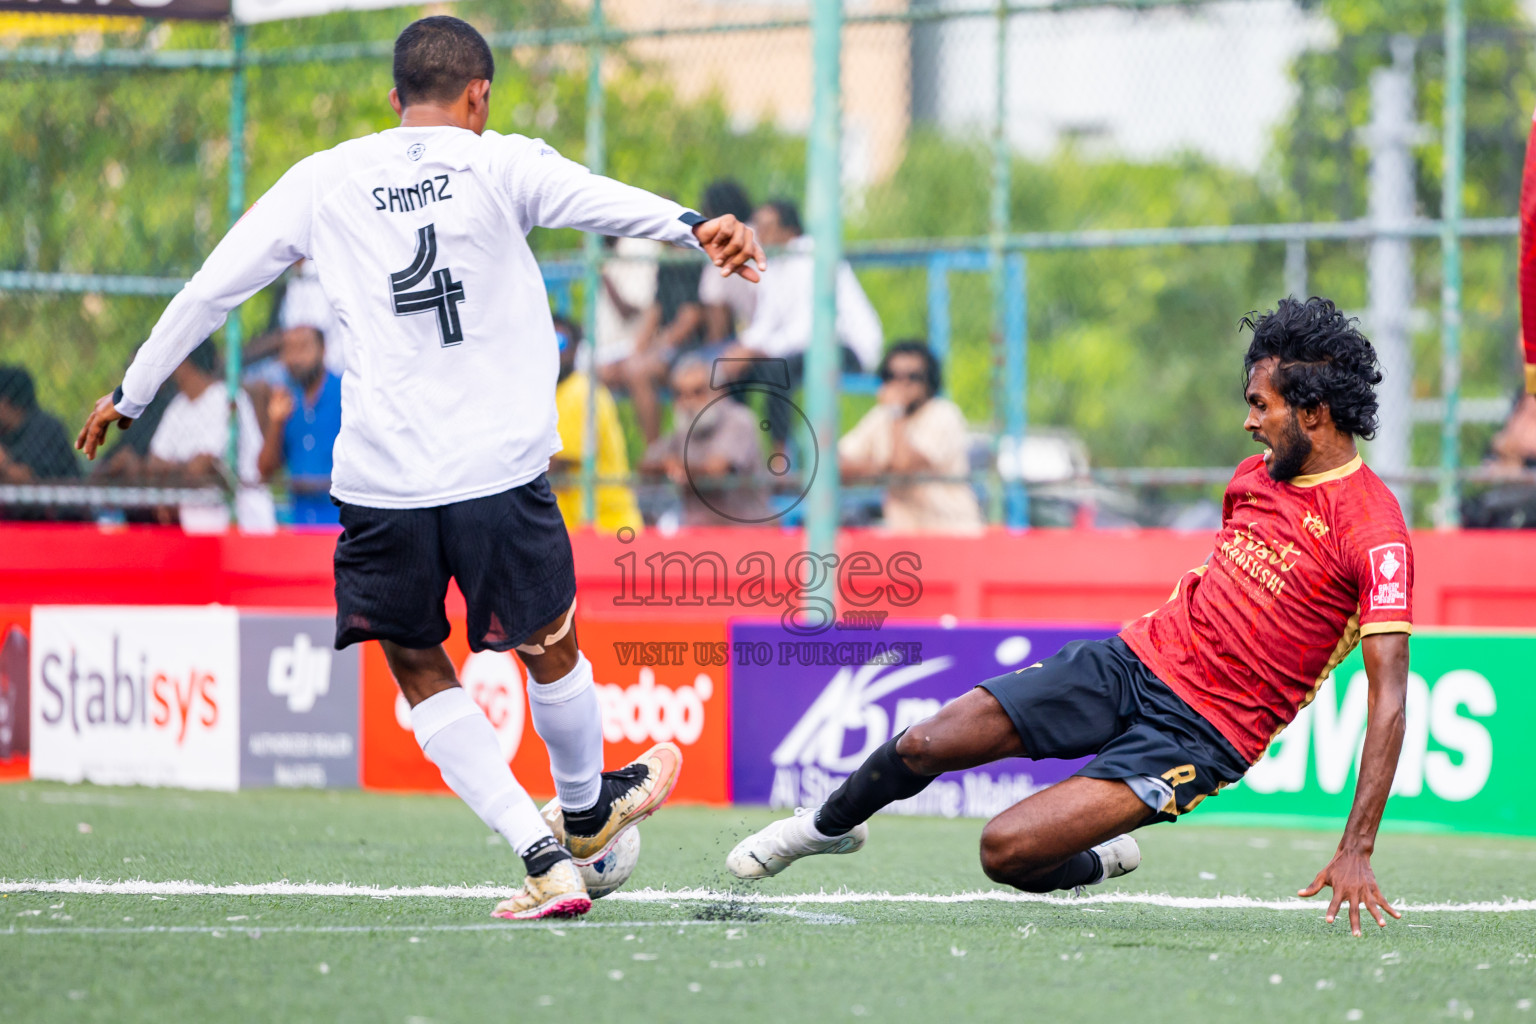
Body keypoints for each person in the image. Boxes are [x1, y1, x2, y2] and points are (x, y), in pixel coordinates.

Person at [76, 16, 764, 921]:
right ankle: (588, 807)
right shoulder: (500, 161)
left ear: (394, 98)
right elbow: (596, 198)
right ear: (477, 95)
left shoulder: (323, 179)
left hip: (384, 482)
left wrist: (131, 390)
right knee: (548, 642)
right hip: (497, 471)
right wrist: (692, 226)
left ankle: (543, 855)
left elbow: (213, 288)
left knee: (416, 663)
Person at [729, 297, 1415, 938]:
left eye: (1261, 406)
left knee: (1006, 851)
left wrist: (1355, 848)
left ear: (1316, 411)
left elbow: (1388, 701)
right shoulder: (1252, 477)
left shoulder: (1375, 531)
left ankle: (1103, 856)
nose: (1249, 421)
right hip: (1129, 663)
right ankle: (825, 826)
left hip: (1202, 733)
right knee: (924, 743)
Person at [732, 198, 882, 447]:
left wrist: (761, 350)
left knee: (777, 369)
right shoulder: (772, 261)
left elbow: (811, 327)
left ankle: (780, 459)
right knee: (734, 370)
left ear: (790, 231)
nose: (761, 234)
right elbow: (766, 321)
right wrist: (743, 347)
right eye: (758, 227)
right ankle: (739, 454)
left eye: (768, 227)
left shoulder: (809, 256)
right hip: (803, 347)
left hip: (848, 346)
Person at [839, 341, 983, 533]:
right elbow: (837, 464)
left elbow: (904, 465)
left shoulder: (942, 414)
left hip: (951, 532)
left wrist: (896, 412)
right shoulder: (882, 417)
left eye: (912, 377)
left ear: (928, 381)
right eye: (893, 376)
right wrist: (883, 467)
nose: (901, 384)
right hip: (905, 535)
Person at [146, 339, 276, 534]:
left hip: (246, 525)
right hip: (198, 528)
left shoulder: (226, 398)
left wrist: (173, 471)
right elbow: (153, 465)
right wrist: (186, 469)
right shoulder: (178, 407)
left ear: (185, 362)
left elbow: (203, 467)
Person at [640, 357, 772, 525]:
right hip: (696, 534)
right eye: (681, 394)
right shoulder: (684, 427)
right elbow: (647, 463)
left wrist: (678, 467)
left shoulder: (739, 420)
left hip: (744, 532)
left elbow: (717, 469)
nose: (688, 401)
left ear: (718, 393)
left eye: (698, 392)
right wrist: (666, 465)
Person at [550, 315, 642, 535]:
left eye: (560, 340)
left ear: (575, 349)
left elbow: (554, 464)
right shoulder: (555, 394)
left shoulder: (579, 391)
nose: (553, 349)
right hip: (578, 530)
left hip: (607, 530)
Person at [256, 325, 344, 526]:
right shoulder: (285, 399)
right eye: (288, 349)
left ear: (323, 350)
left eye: (303, 348)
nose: (294, 358)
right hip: (299, 523)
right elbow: (265, 469)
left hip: (341, 525)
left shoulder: (345, 393)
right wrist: (276, 423)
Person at [695, 179, 758, 344]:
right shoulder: (760, 233)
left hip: (754, 337)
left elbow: (718, 319)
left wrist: (710, 350)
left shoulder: (720, 245)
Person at [0, 365, 80, 484]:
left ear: (6, 402)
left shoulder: (44, 428)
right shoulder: (6, 431)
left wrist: (4, 463)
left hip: (60, 499)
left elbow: (26, 479)